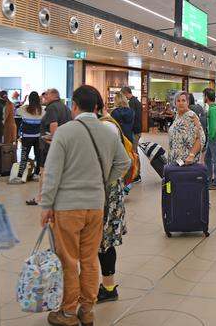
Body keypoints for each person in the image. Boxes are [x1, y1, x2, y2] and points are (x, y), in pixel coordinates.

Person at [40, 85, 130, 326]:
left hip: (68, 207)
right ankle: (87, 310)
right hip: (95, 205)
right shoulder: (108, 132)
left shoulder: (65, 132)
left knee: (69, 259)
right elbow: (125, 162)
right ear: (96, 106)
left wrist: (46, 205)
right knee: (90, 258)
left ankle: (68, 312)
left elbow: (52, 172)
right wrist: (104, 181)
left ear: (75, 106)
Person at [93, 88, 128, 305]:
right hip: (109, 189)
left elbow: (120, 162)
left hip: (105, 191)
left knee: (103, 241)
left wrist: (106, 180)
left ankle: (108, 286)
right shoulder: (109, 124)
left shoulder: (104, 127)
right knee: (103, 241)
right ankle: (107, 284)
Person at [27, 88, 72, 206]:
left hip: (51, 146)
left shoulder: (52, 108)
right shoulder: (65, 108)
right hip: (64, 145)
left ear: (53, 95)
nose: (44, 97)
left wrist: (54, 141)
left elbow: (53, 125)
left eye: (46, 94)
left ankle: (41, 198)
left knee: (44, 172)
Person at [168, 91, 205, 165]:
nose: (181, 103)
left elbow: (201, 138)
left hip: (186, 162)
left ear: (188, 103)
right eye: (178, 101)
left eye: (183, 100)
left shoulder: (191, 116)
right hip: (175, 160)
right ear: (175, 103)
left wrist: (192, 155)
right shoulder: (177, 116)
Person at [16, 91, 43, 181]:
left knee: (24, 155)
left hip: (27, 136)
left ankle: (20, 175)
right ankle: (36, 174)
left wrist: (22, 102)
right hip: (38, 136)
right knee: (38, 156)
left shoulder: (24, 109)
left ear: (29, 99)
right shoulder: (42, 110)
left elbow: (16, 111)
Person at [203, 87, 216, 190]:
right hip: (213, 139)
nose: (203, 97)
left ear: (206, 97)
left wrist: (210, 137)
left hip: (214, 139)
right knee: (207, 158)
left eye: (203, 95)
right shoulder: (213, 107)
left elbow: (213, 126)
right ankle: (209, 179)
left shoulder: (213, 109)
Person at [121, 87, 142, 177]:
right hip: (137, 129)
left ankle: (136, 174)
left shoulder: (132, 103)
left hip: (134, 130)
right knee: (134, 151)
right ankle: (136, 173)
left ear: (126, 93)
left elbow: (131, 118)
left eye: (123, 95)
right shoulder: (136, 101)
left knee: (134, 152)